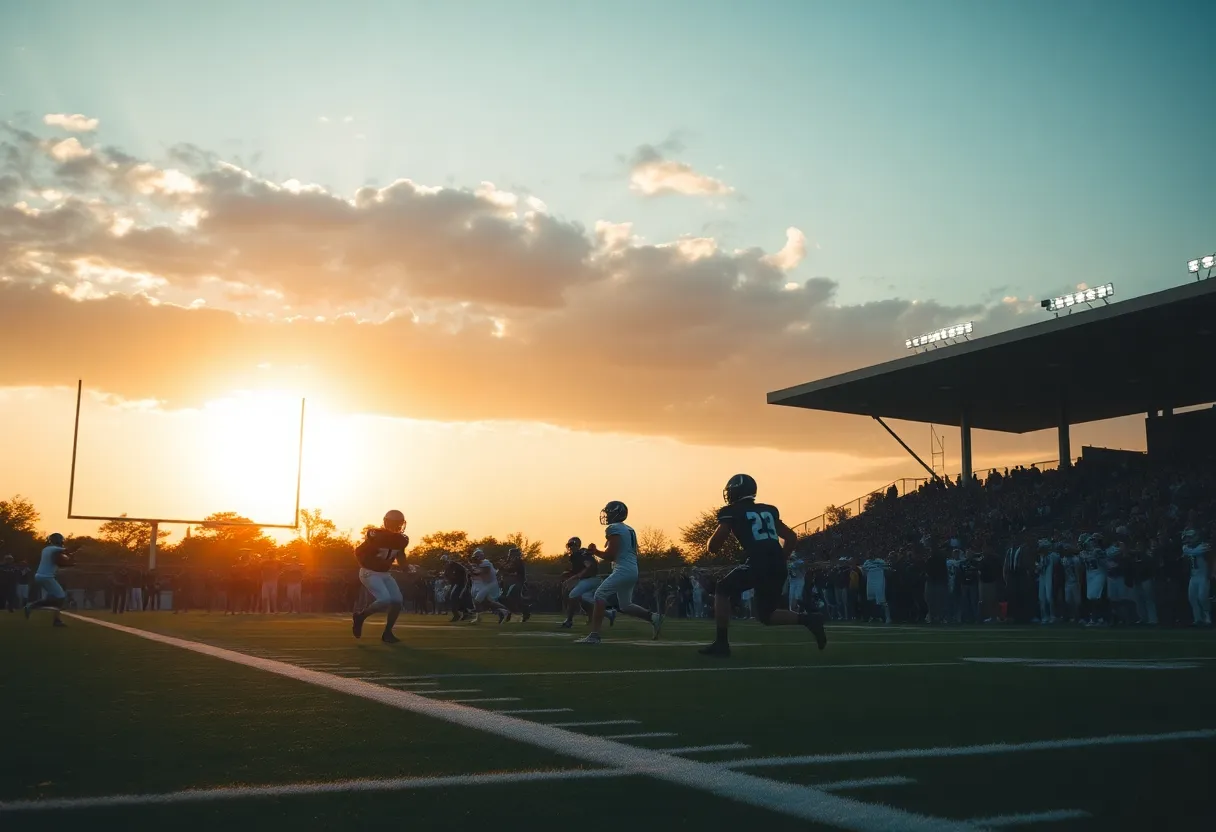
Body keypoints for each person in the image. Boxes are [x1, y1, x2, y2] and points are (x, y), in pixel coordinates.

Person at [699, 475, 826, 657]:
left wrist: (711, 542)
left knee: (722, 589)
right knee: (767, 615)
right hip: (777, 565)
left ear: (735, 491)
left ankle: (721, 643)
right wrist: (780, 559)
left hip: (758, 562)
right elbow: (791, 538)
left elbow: (714, 546)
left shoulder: (732, 511)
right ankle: (809, 619)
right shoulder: (769, 510)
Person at [574, 501, 662, 644]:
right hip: (632, 569)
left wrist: (596, 552)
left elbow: (611, 556)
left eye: (609, 512)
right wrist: (596, 552)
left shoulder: (614, 528)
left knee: (599, 595)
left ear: (616, 513)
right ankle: (653, 617)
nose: (607, 515)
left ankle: (594, 635)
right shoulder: (629, 529)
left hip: (623, 569)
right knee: (625, 605)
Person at [351, 510, 410, 643]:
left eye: (400, 523)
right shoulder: (376, 535)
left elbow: (401, 556)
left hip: (384, 574)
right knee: (385, 600)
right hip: (369, 572)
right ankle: (360, 617)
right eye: (395, 523)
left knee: (397, 601)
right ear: (387, 522)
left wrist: (406, 568)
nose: (398, 526)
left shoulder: (401, 539)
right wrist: (371, 563)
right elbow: (358, 551)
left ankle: (387, 633)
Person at [24, 533, 75, 627]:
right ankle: (32, 606)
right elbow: (64, 555)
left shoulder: (46, 549)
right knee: (61, 597)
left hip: (40, 576)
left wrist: (68, 559)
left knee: (53, 597)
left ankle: (55, 617)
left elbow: (58, 561)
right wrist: (78, 550)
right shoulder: (55, 549)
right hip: (46, 577)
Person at [467, 549, 512, 624]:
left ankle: (478, 615)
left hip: (490, 585)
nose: (474, 559)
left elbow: (479, 573)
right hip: (486, 585)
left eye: (476, 558)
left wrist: (471, 570)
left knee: (479, 601)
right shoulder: (481, 564)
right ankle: (505, 611)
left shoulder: (486, 563)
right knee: (488, 602)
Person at [1182, 527, 1212, 626]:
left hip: (1202, 575)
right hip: (1193, 576)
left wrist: (1189, 551)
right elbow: (1191, 552)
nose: (1189, 539)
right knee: (1192, 598)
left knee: (1202, 597)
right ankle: (1197, 619)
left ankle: (1208, 617)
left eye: (1190, 537)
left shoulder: (1204, 546)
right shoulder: (1187, 547)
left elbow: (1195, 552)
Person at [501, 548, 532, 623]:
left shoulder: (518, 562)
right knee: (510, 598)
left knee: (512, 597)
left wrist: (503, 567)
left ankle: (521, 612)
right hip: (509, 582)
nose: (510, 556)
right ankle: (523, 611)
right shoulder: (510, 561)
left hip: (517, 582)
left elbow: (512, 570)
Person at [440, 554, 472, 621]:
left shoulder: (455, 565)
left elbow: (465, 570)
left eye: (444, 561)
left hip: (459, 583)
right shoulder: (447, 567)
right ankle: (465, 612)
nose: (443, 563)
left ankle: (457, 614)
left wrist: (464, 581)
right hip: (455, 584)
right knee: (451, 598)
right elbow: (447, 576)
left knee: (453, 597)